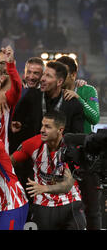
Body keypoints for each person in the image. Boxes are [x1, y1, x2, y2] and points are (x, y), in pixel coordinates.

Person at [10, 111, 86, 230]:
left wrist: (43, 188)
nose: (42, 130)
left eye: (48, 127)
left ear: (60, 130)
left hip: (70, 203)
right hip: (42, 204)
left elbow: (67, 185)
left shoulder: (71, 149)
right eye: (42, 125)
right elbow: (9, 162)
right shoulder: (33, 144)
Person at [57, 55, 101, 230]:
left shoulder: (87, 90)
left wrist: (78, 98)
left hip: (85, 155)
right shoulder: (53, 90)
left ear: (74, 75)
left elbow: (95, 118)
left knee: (92, 207)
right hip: (61, 155)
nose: (59, 77)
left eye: (64, 74)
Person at [11, 61, 84, 144]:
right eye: (43, 74)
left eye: (48, 76)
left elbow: (77, 138)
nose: (42, 79)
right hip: (32, 153)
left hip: (59, 154)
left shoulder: (73, 104)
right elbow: (17, 125)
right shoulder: (31, 96)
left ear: (59, 82)